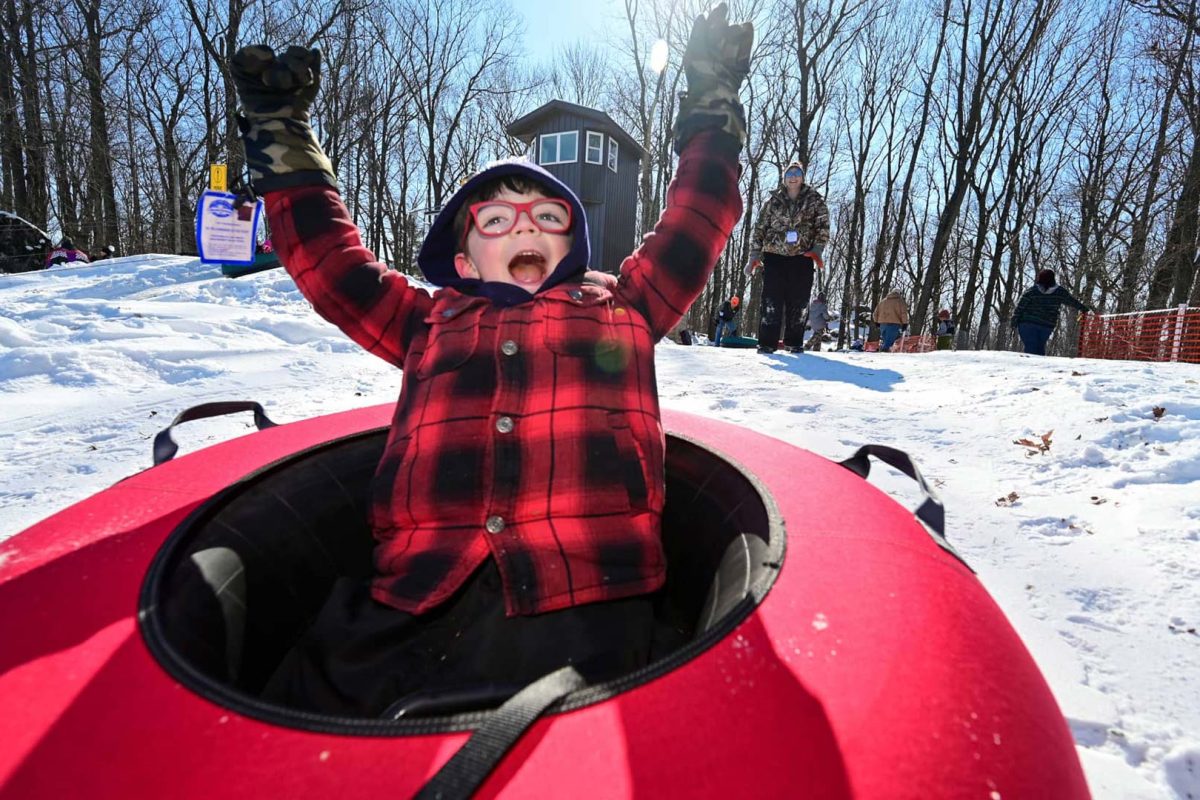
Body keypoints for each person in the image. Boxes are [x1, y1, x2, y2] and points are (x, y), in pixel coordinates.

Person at [228, 5, 753, 717]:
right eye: (497, 221)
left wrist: (711, 106)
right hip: (405, 607)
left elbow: (697, 218)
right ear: (462, 255)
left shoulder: (624, 308)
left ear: (575, 247)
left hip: (586, 605)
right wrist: (281, 140)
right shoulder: (427, 323)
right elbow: (330, 266)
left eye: (548, 217)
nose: (525, 228)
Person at [745, 161, 829, 353]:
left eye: (797, 173)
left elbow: (823, 226)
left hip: (802, 256)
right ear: (784, 178)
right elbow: (760, 228)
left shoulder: (814, 200)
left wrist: (817, 249)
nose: (793, 176)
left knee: (798, 301)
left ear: (802, 177)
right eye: (789, 173)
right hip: (774, 255)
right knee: (771, 301)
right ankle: (766, 343)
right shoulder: (773, 201)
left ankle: (794, 342)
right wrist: (754, 255)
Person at [1010, 269, 1092, 356]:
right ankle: (1038, 367)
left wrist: (1014, 321)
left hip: (1027, 323)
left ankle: (1032, 367)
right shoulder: (1059, 292)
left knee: (1031, 347)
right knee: (1039, 348)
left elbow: (1020, 306)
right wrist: (1084, 309)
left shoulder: (1032, 291)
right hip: (1046, 324)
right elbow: (1072, 301)